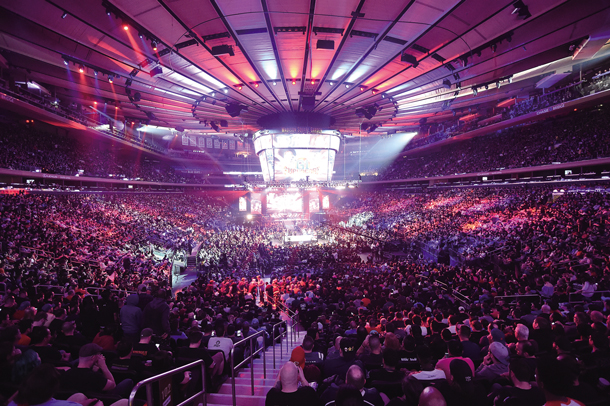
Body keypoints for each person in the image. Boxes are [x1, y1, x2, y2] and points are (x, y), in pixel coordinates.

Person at [60, 343, 133, 397]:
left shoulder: (67, 373)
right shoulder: (95, 377)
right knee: (128, 381)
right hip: (101, 400)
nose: (101, 356)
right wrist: (104, 366)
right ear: (93, 357)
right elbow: (113, 385)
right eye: (99, 355)